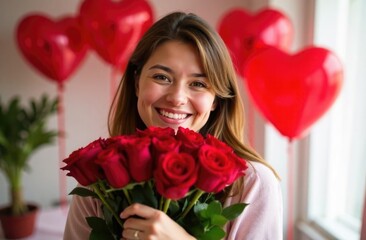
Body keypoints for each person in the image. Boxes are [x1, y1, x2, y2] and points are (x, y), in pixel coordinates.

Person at [63, 11, 282, 240]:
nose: (177, 98)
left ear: (216, 98)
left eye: (198, 83)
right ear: (137, 83)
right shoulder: (99, 177)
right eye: (162, 77)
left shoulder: (253, 184)